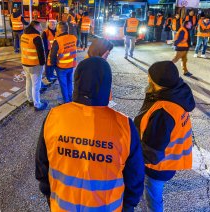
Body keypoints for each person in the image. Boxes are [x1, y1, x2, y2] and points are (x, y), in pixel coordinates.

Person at [35, 56, 144, 212]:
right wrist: (128, 205)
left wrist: (49, 195)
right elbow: (135, 176)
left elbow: (41, 166)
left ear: (77, 82)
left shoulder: (54, 117)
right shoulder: (124, 125)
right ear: (107, 86)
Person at [134, 61, 195, 212]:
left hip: (158, 166)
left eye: (150, 77)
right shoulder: (177, 94)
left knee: (153, 198)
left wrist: (132, 161)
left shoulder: (163, 111)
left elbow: (152, 152)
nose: (148, 79)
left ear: (157, 82)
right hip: (169, 161)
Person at [21, 20, 48, 111]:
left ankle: (30, 100)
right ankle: (37, 104)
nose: (41, 28)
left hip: (25, 63)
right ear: (35, 26)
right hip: (35, 65)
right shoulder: (36, 37)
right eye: (40, 26)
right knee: (36, 86)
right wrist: (43, 64)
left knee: (28, 82)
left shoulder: (23, 35)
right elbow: (41, 53)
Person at [48, 21, 77, 104]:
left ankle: (66, 101)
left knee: (63, 85)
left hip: (61, 67)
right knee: (69, 82)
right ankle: (70, 98)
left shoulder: (57, 40)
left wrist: (53, 66)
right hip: (71, 65)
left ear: (59, 29)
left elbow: (53, 55)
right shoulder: (73, 38)